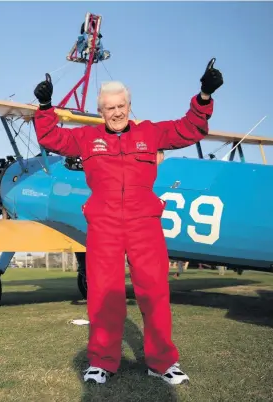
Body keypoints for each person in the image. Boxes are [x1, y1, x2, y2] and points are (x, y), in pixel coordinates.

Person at [32, 59, 223, 385]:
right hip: (104, 224)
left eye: (121, 106)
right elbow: (51, 139)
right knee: (104, 295)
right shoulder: (86, 138)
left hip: (143, 223)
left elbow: (190, 128)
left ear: (129, 106)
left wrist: (204, 95)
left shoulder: (151, 132)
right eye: (109, 108)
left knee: (155, 293)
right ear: (101, 110)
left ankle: (162, 363)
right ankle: (102, 362)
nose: (116, 112)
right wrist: (46, 106)